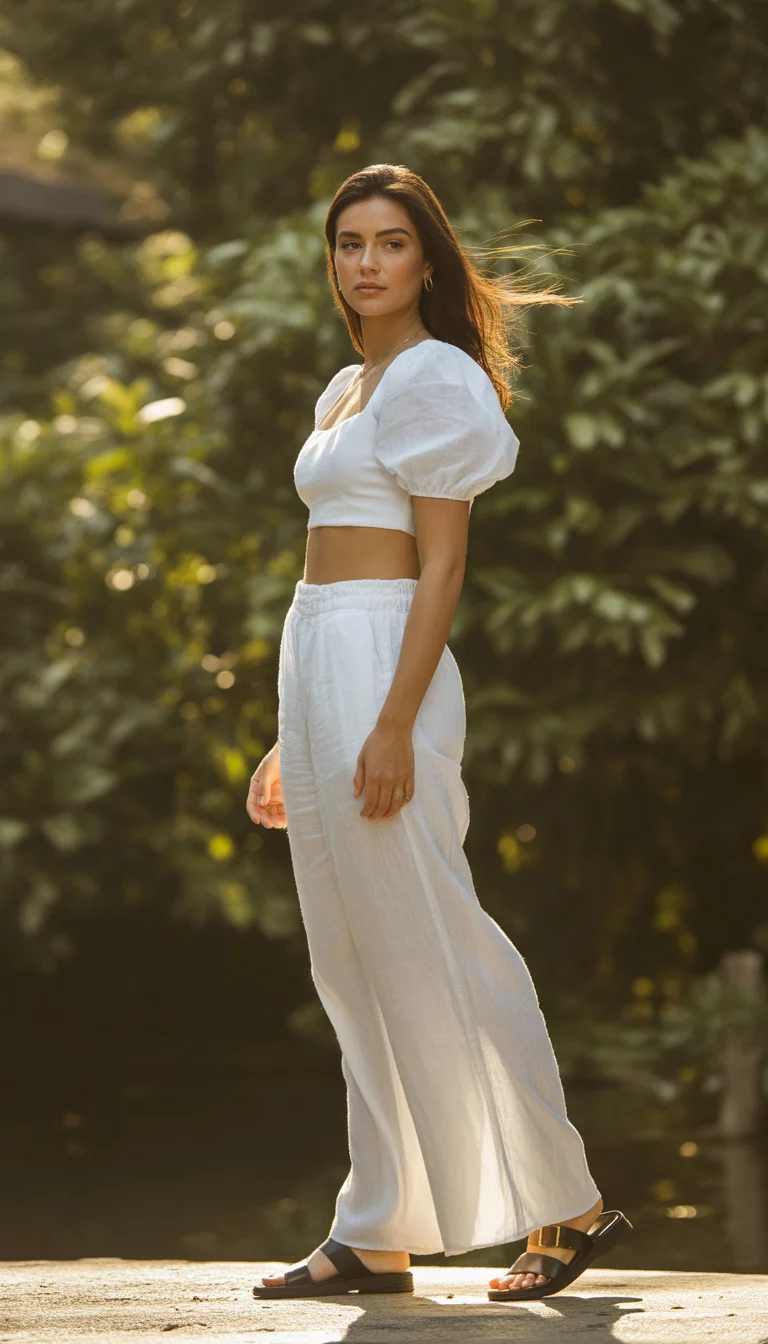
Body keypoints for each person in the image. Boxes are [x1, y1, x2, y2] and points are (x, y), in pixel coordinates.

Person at [246, 163, 631, 1303]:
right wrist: (290, 737)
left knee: (437, 933)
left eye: (390, 243)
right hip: (319, 657)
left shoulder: (431, 380)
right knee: (352, 958)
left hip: (383, 664)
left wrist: (393, 722)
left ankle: (573, 1202)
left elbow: (443, 563)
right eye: (349, 243)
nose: (366, 262)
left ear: (428, 260)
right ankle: (377, 1230)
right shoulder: (344, 390)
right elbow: (323, 565)